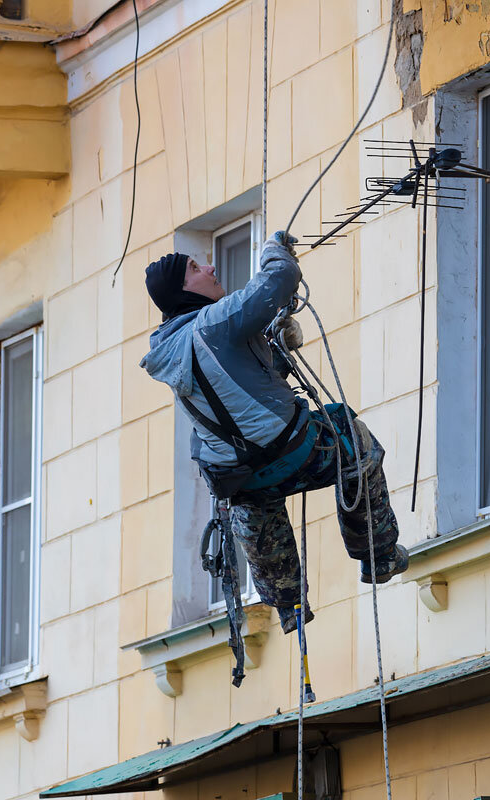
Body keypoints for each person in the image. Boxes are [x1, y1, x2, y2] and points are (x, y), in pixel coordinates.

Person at [139, 231, 408, 634]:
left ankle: (287, 604)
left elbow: (240, 395)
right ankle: (379, 555)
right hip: (296, 450)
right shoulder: (213, 324)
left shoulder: (174, 349)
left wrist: (273, 353)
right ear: (183, 291)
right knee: (353, 437)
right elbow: (279, 279)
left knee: (252, 508)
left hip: (244, 479)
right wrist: (274, 249)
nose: (210, 268)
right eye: (195, 268)